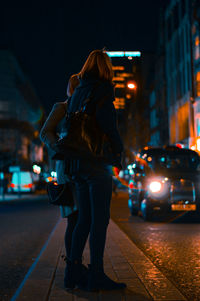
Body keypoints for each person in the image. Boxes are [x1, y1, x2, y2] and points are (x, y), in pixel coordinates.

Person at [64, 50, 126, 291]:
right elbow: (108, 125)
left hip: (77, 163)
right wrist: (118, 151)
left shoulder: (78, 91)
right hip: (96, 162)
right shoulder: (103, 89)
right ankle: (96, 275)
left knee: (84, 219)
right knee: (100, 220)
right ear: (105, 68)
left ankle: (73, 271)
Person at [40, 74, 88, 288]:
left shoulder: (85, 108)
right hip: (67, 168)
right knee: (73, 218)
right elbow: (45, 131)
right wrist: (59, 147)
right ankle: (72, 266)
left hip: (81, 166)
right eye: (77, 87)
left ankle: (75, 264)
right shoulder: (62, 107)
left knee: (80, 218)